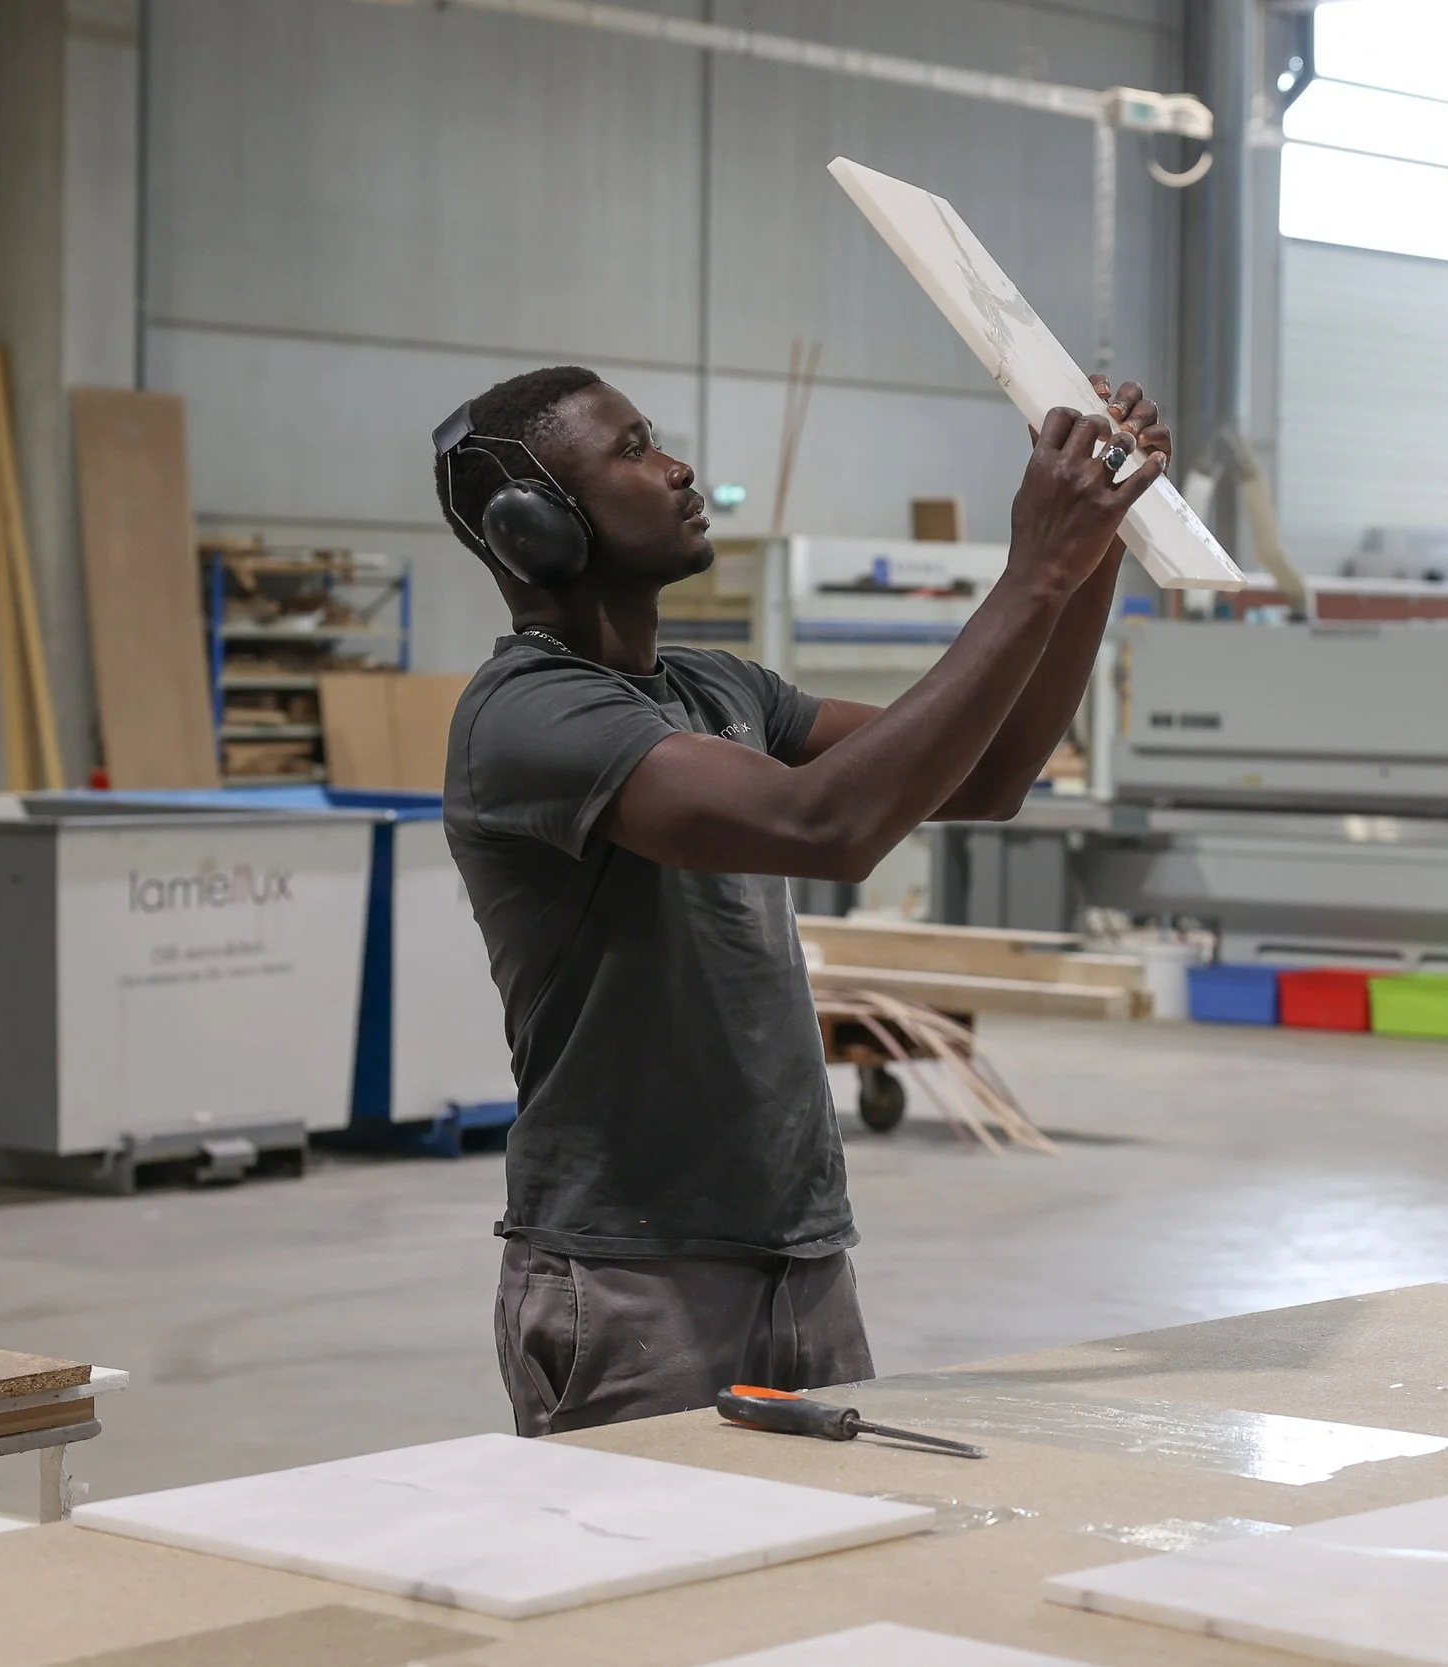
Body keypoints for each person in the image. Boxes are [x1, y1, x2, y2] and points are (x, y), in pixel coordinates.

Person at [434, 362, 1169, 1435]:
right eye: (632, 450)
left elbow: (994, 772)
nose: (678, 468)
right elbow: (823, 828)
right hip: (634, 1275)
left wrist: (1089, 545)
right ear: (533, 525)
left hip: (801, 1253)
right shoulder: (529, 719)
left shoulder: (722, 690)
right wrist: (1034, 569)